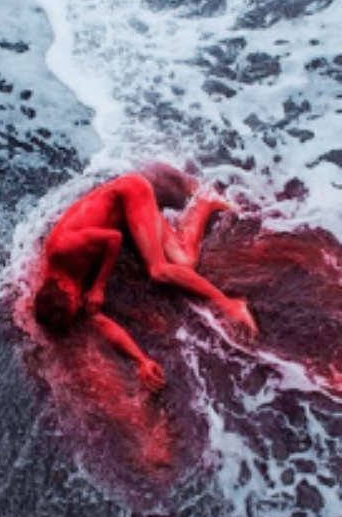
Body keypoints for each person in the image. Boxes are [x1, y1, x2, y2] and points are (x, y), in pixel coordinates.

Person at [34, 167, 257, 393]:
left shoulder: (62, 247)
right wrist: (141, 360)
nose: (82, 303)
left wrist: (99, 286)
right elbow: (100, 321)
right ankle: (205, 202)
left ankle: (229, 303)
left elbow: (113, 239)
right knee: (185, 261)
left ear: (63, 285)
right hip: (126, 217)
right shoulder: (61, 295)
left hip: (131, 193)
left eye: (77, 300)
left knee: (158, 270)